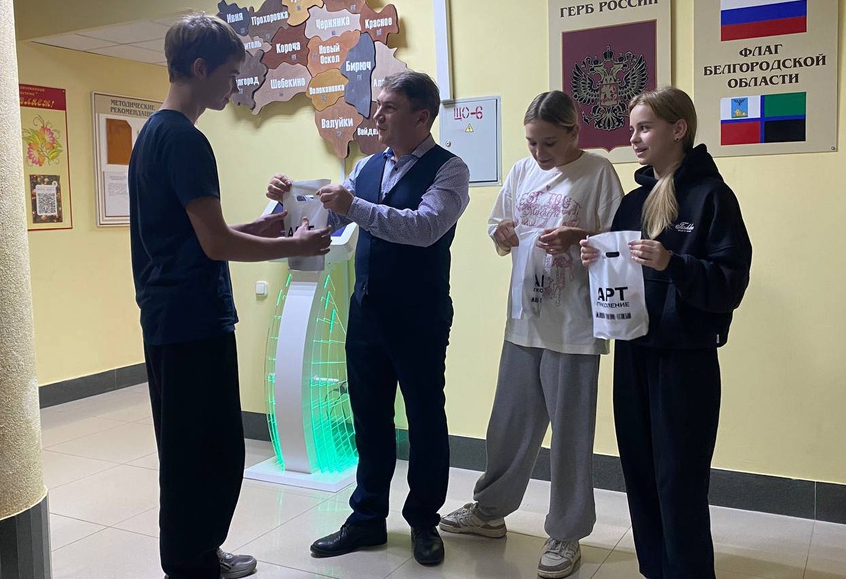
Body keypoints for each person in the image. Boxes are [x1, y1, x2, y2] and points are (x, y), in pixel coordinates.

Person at [128, 13, 331, 579]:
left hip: (170, 318)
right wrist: (297, 243)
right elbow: (216, 245)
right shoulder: (186, 141)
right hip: (192, 321)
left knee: (190, 448)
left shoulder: (153, 135)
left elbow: (194, 235)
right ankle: (193, 565)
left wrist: (259, 228)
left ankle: (194, 556)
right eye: (231, 74)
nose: (235, 86)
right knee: (209, 452)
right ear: (200, 68)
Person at [267, 71, 470, 566]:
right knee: (369, 418)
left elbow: (424, 228)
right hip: (368, 314)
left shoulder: (450, 170)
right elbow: (334, 218)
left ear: (421, 117)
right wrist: (289, 199)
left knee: (424, 419)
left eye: (389, 107)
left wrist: (353, 205)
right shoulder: (367, 165)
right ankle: (367, 519)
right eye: (377, 105)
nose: (376, 115)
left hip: (419, 317)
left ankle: (424, 520)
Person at [438, 91, 623, 578]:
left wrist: (579, 238)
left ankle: (566, 533)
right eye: (532, 143)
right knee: (509, 425)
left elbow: (620, 243)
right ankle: (489, 512)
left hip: (574, 324)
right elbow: (499, 224)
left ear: (574, 132)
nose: (540, 153)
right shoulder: (522, 171)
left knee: (570, 435)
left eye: (550, 143)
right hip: (524, 318)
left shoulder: (599, 172)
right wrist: (499, 233)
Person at [581, 87, 752, 578]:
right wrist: (597, 258)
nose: (633, 138)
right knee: (640, 471)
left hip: (685, 358)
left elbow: (730, 283)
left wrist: (673, 263)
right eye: (631, 129)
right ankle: (655, 569)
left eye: (644, 128)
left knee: (679, 478)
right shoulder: (633, 202)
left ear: (679, 129)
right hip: (633, 352)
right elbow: (622, 276)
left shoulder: (712, 197)